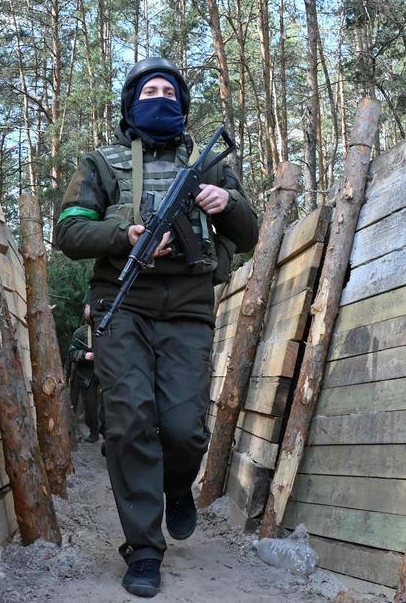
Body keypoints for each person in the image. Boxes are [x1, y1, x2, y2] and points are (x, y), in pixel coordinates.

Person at [54, 57, 259, 597]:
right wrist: (125, 234)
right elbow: (69, 231)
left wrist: (227, 202)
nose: (161, 97)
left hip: (189, 305)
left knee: (185, 428)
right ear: (132, 104)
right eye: (150, 91)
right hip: (122, 303)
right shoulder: (103, 162)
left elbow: (251, 233)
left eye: (170, 90)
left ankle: (176, 486)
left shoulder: (206, 164)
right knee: (127, 422)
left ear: (183, 104)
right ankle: (144, 548)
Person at [66, 292, 101, 443]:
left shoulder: (111, 330)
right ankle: (93, 432)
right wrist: (84, 355)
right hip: (87, 375)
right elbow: (71, 352)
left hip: (107, 373)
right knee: (90, 405)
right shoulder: (80, 333)